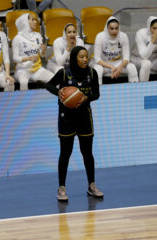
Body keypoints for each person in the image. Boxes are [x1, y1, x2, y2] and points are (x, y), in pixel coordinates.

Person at [46, 46, 103, 201]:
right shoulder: (64, 72)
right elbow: (49, 85)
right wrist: (58, 92)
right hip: (67, 118)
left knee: (87, 153)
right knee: (65, 153)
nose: (85, 60)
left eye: (86, 57)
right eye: (81, 57)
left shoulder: (92, 73)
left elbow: (97, 94)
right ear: (74, 58)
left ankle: (92, 185)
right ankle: (61, 188)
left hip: (84, 116)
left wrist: (87, 98)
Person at [12, 13, 54, 90]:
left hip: (37, 69)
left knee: (54, 79)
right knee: (24, 83)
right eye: (32, 20)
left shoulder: (37, 35)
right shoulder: (17, 39)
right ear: (25, 22)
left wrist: (43, 50)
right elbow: (15, 58)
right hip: (22, 70)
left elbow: (42, 56)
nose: (36, 22)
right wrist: (28, 58)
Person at [93, 16, 139, 84]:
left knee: (132, 67)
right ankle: (98, 93)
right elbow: (97, 59)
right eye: (111, 28)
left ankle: (136, 91)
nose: (114, 31)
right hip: (103, 65)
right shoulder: (100, 37)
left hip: (118, 64)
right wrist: (112, 67)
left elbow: (126, 58)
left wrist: (120, 67)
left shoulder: (123, 36)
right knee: (98, 70)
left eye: (116, 28)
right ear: (107, 28)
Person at [130, 16, 157, 81]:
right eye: (154, 28)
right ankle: (143, 87)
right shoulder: (140, 34)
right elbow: (144, 56)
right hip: (138, 59)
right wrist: (152, 41)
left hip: (155, 60)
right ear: (149, 27)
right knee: (146, 63)